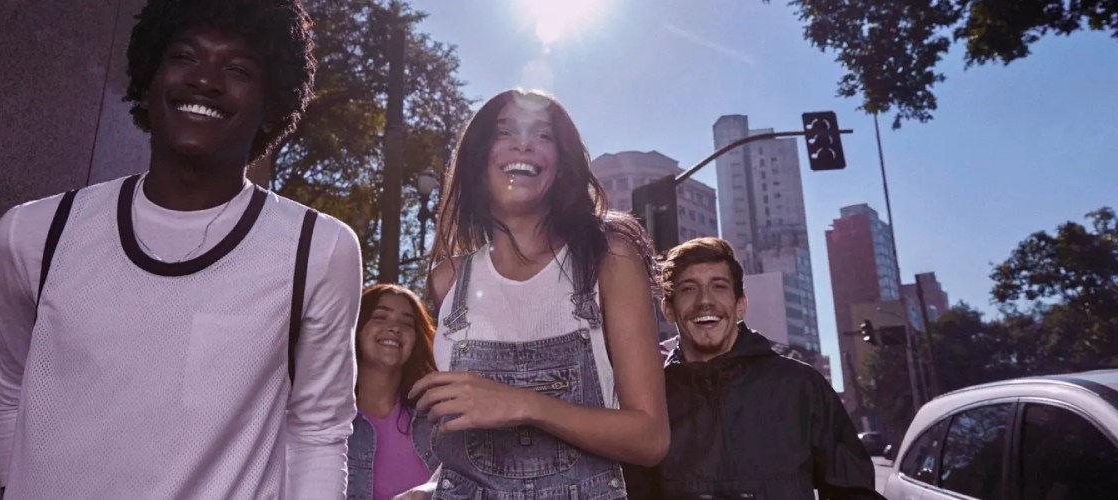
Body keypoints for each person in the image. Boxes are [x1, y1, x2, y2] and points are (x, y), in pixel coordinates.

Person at [0, 1, 361, 498]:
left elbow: (317, 430)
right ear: (149, 76)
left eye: (238, 68)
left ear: (273, 103)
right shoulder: (35, 233)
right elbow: (12, 392)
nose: (205, 79)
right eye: (185, 56)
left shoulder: (318, 249)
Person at [400, 89, 670, 499]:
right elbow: (463, 452)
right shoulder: (447, 279)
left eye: (541, 135)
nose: (522, 143)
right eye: (504, 132)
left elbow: (650, 438)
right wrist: (430, 488)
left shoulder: (609, 257)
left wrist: (525, 404)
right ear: (478, 159)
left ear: (561, 165)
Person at [623, 237, 884, 499]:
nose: (705, 301)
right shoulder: (650, 401)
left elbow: (854, 491)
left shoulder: (801, 387)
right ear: (668, 309)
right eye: (689, 289)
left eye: (719, 286)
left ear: (741, 306)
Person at [348, 284, 440, 500]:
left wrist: (429, 491)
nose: (394, 328)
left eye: (407, 323)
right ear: (357, 327)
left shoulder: (436, 417)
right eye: (380, 317)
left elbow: (467, 481)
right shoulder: (327, 418)